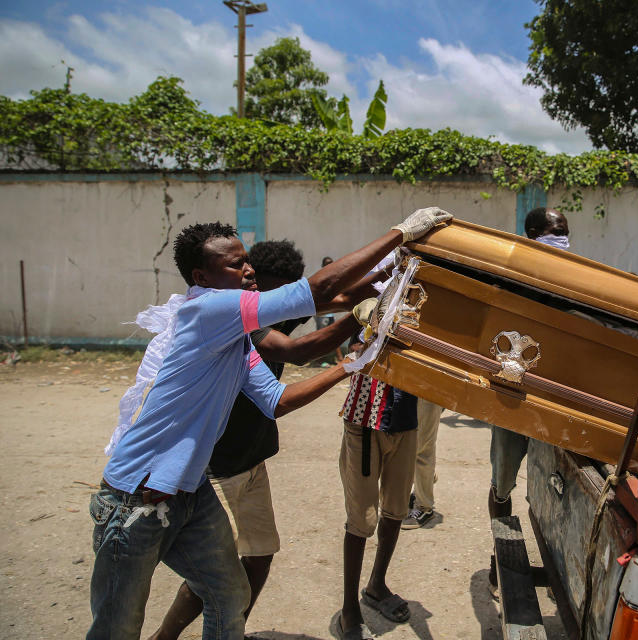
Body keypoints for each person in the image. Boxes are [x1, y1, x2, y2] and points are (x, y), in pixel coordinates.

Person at [87, 207, 451, 640]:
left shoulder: (234, 340)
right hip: (135, 498)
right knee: (118, 626)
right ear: (201, 278)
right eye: (234, 264)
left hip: (188, 492)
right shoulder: (208, 311)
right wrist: (399, 234)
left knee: (229, 597)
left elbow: (276, 400)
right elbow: (319, 290)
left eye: (246, 260)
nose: (248, 269)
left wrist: (352, 363)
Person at [147, 240, 365, 640]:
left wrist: (384, 286)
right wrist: (361, 321)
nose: (274, 297)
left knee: (259, 555)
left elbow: (334, 298)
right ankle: (166, 636)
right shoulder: (239, 319)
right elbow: (299, 352)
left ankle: (233, 630)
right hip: (217, 467)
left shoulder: (271, 307)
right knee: (216, 575)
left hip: (250, 458)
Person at [487, 207, 570, 597]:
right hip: (512, 399)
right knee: (502, 484)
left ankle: (556, 570)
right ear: (534, 234)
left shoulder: (574, 278)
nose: (563, 240)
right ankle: (499, 561)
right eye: (557, 231)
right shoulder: (513, 276)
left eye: (566, 232)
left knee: (558, 488)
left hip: (552, 400)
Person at [336, 360, 422, 639]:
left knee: (396, 508)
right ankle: (349, 608)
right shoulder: (365, 314)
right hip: (365, 418)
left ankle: (376, 584)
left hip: (406, 419)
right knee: (361, 518)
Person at [401, 399, 444, 529]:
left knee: (422, 449)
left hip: (430, 388)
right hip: (403, 386)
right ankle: (425, 480)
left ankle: (424, 507)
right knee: (400, 443)